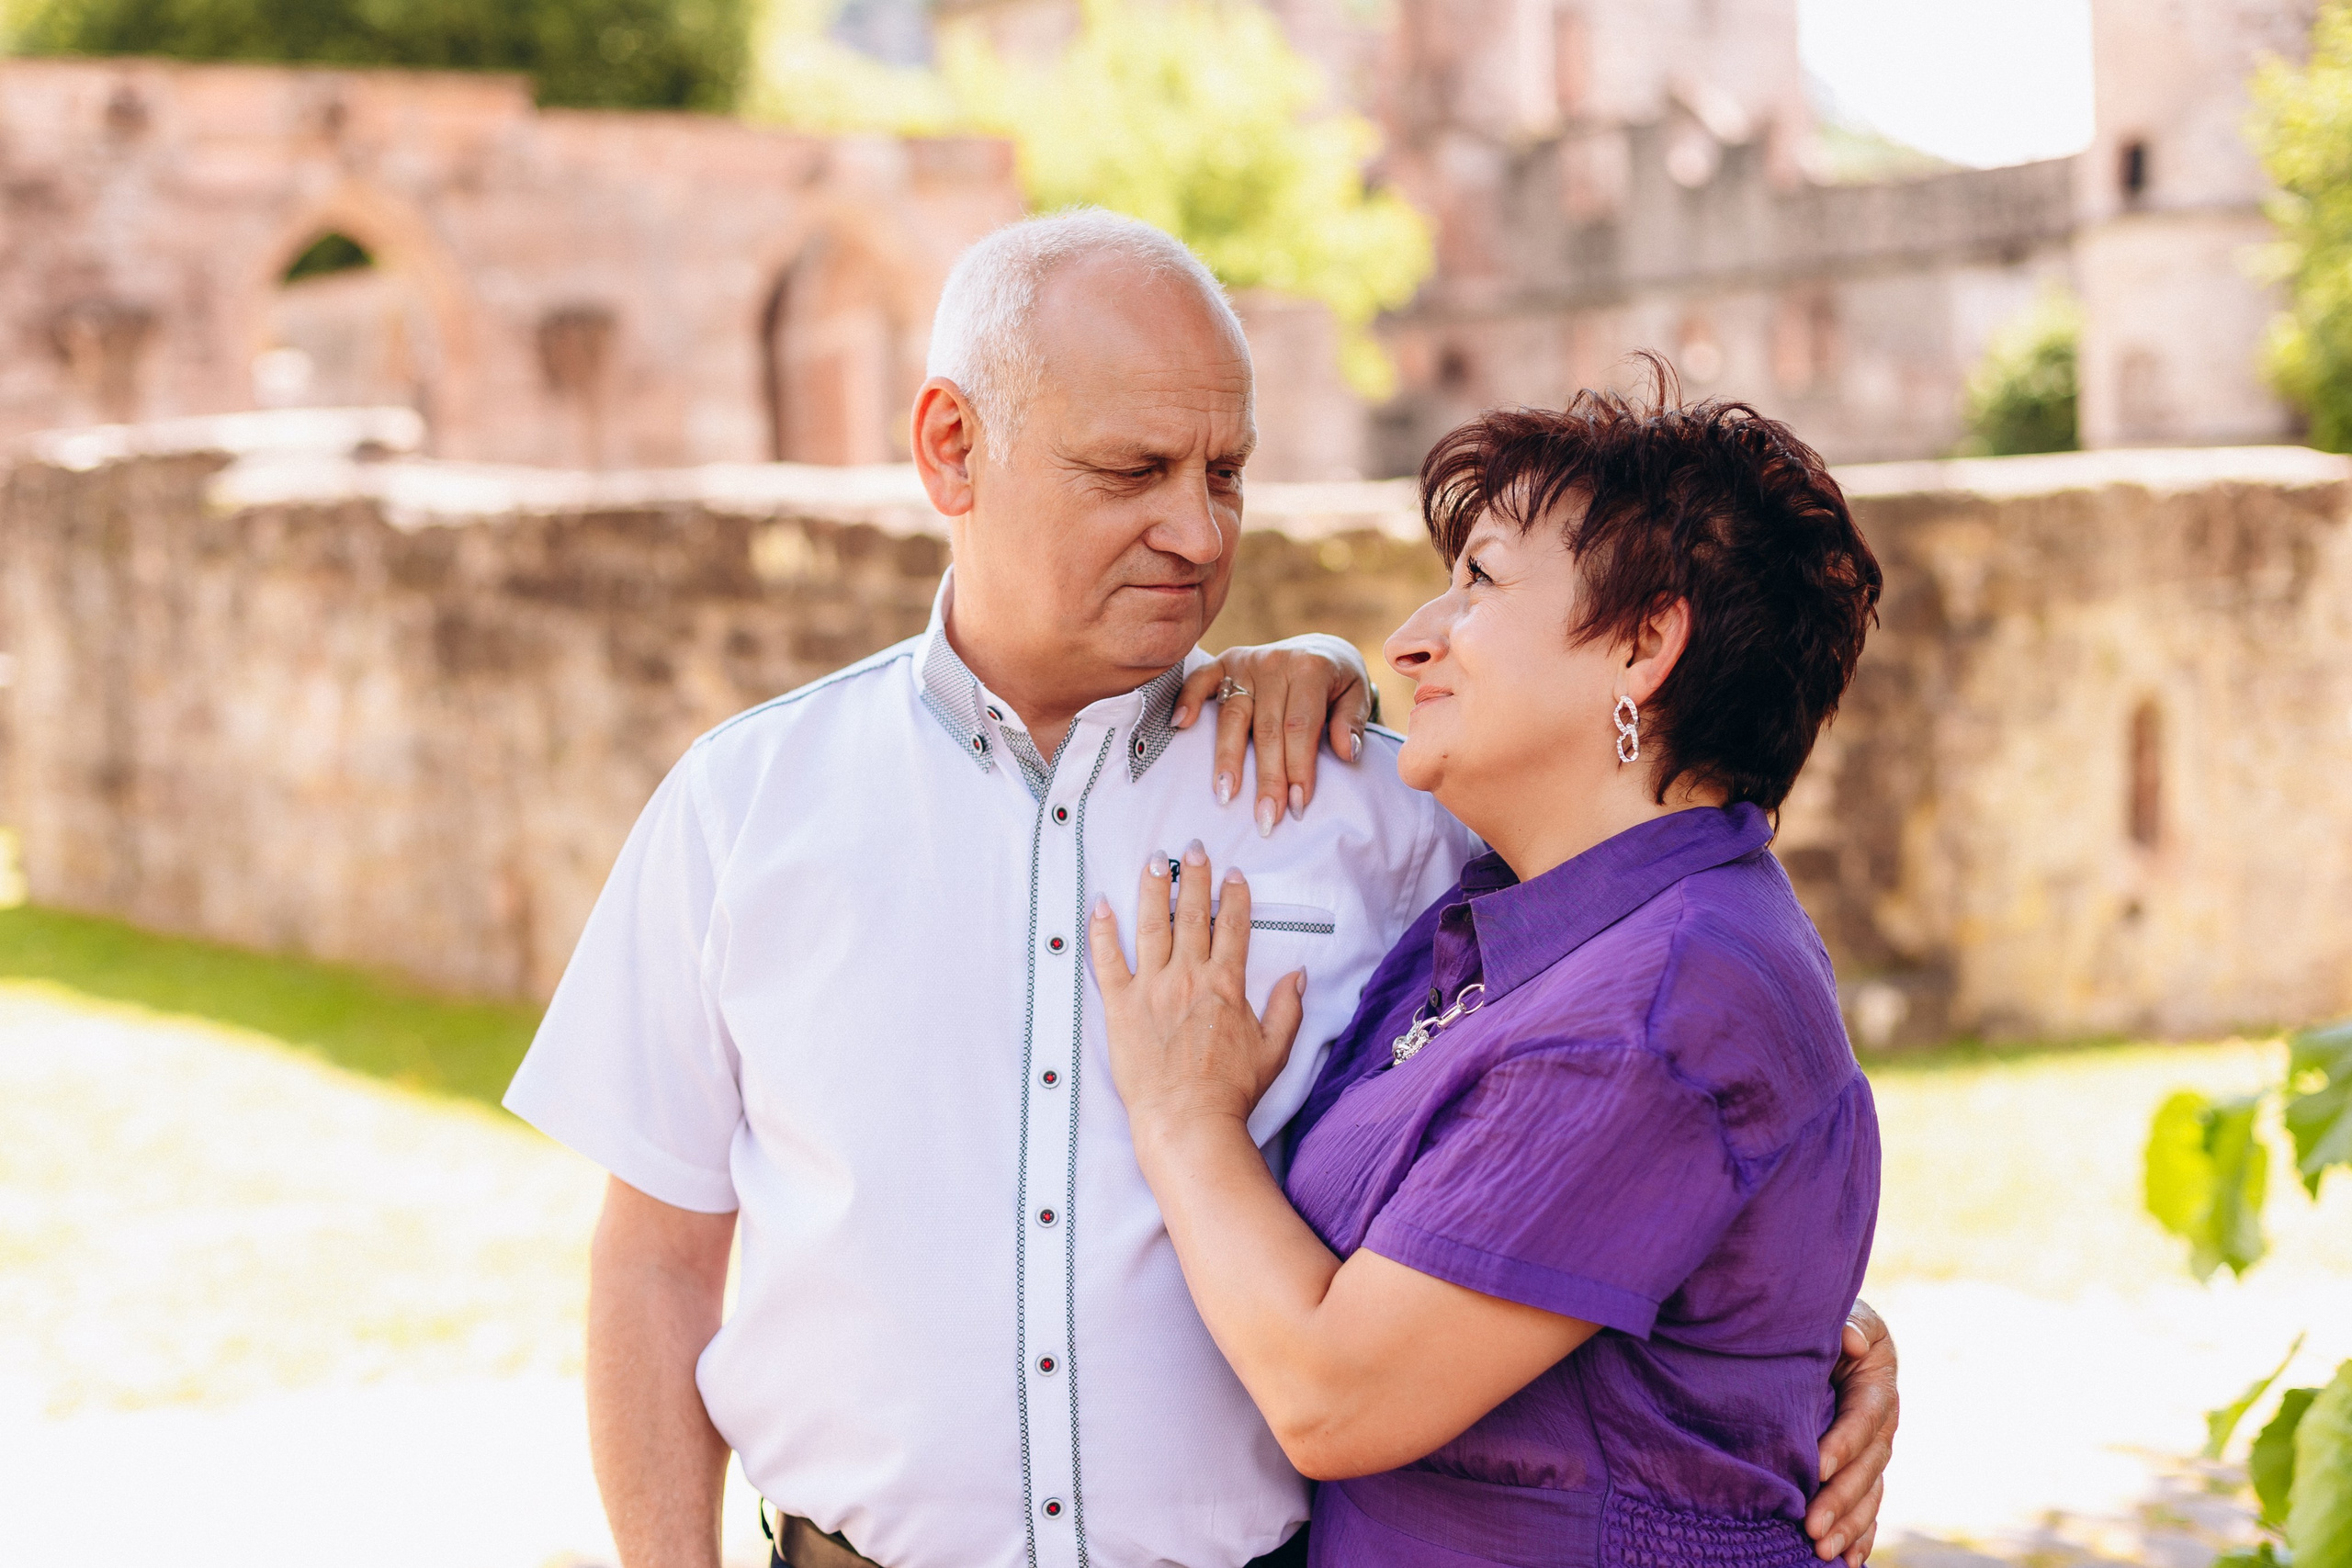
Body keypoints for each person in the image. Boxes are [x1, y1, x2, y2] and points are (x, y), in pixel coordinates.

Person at [503, 211, 1898, 1568]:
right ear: (951, 447)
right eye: (1133, 469)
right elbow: (656, 1262)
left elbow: (1650, 1108)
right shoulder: (745, 803)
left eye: (1225, 473)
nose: (1195, 530)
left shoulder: (1389, 811)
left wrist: (1804, 1346)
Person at [1089, 385, 1890, 1567]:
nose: (1410, 641)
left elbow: (1333, 1398)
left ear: (1643, 644)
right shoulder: (1523, 920)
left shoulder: (1665, 1004)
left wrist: (1180, 1113)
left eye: (1481, 582)